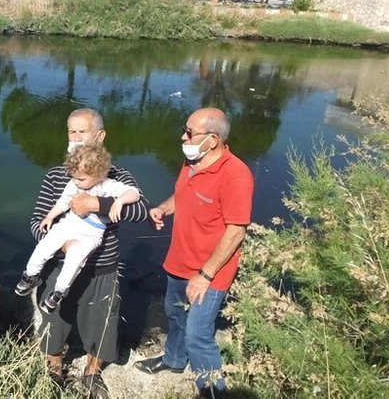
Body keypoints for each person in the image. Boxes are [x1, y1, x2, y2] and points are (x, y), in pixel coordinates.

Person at [133, 108, 254, 399]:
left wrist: (204, 275)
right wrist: (164, 208)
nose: (183, 137)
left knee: (199, 335)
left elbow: (236, 231)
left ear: (213, 140)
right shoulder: (192, 162)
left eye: (189, 132)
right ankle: (174, 360)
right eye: (184, 129)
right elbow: (184, 193)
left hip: (210, 271)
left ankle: (213, 392)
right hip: (179, 260)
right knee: (175, 315)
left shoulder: (236, 175)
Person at [30, 108, 149, 398]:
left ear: (100, 135)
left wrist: (98, 204)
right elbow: (36, 223)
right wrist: (63, 246)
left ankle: (92, 373)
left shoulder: (117, 175)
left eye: (82, 132)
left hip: (102, 267)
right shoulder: (57, 174)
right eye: (71, 132)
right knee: (54, 320)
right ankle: (55, 367)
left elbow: (142, 211)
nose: (75, 138)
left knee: (102, 325)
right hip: (60, 264)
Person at [16, 143, 140, 314]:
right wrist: (50, 216)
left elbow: (134, 193)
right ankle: (30, 275)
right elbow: (63, 202)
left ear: (98, 174)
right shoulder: (74, 184)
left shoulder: (109, 186)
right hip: (69, 224)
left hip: (92, 234)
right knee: (45, 245)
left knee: (75, 258)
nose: (76, 182)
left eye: (81, 179)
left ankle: (58, 292)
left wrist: (119, 201)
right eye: (73, 177)